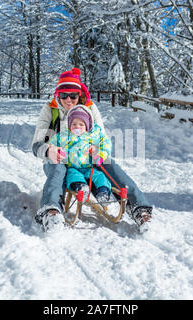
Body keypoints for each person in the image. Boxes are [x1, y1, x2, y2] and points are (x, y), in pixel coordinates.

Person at [31, 67, 152, 231]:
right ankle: (51, 210)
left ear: (79, 94)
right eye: (63, 95)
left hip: (86, 157)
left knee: (110, 165)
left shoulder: (89, 108)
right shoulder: (50, 109)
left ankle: (139, 207)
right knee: (58, 169)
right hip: (61, 156)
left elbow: (100, 137)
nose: (68, 99)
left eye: (73, 95)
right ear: (57, 95)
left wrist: (97, 150)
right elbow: (37, 143)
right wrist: (48, 150)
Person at [50, 104, 112, 207]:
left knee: (100, 177)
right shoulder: (64, 135)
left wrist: (100, 154)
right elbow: (52, 144)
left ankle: (103, 192)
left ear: (87, 126)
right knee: (73, 177)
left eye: (81, 124)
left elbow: (106, 143)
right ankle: (81, 188)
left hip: (89, 167)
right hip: (73, 167)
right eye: (74, 124)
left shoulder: (94, 135)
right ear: (69, 125)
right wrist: (57, 151)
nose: (77, 127)